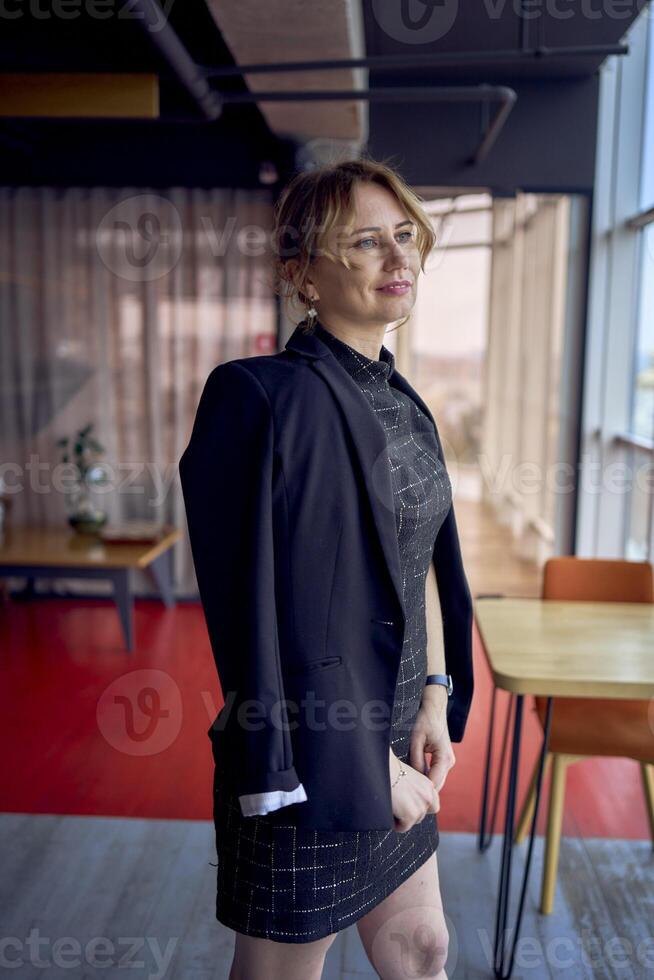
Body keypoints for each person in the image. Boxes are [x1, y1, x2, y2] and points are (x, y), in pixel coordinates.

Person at [179, 157, 474, 980]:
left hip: (397, 732)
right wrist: (361, 759)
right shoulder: (257, 397)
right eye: (366, 241)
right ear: (302, 274)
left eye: (405, 235)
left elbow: (416, 561)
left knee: (423, 949)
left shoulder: (401, 397)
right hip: (314, 749)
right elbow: (257, 616)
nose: (398, 257)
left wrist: (435, 692)